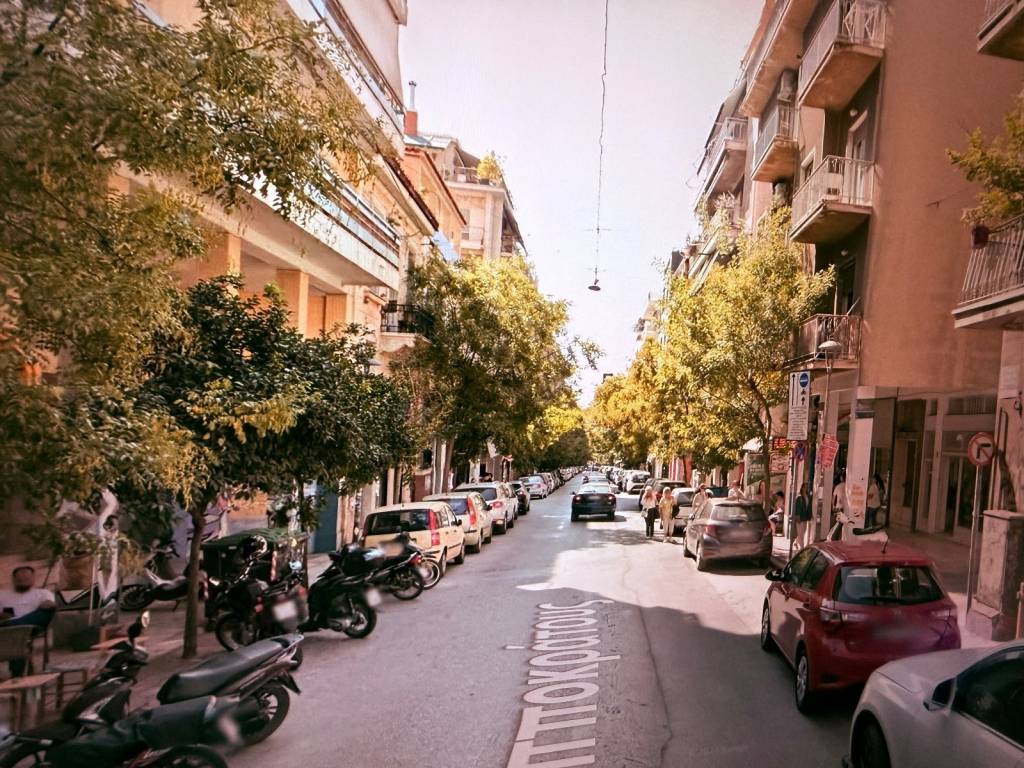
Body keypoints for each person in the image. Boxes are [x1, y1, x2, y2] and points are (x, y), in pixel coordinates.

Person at [0, 566, 55, 676]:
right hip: (9, 629)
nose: (24, 580)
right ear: (14, 579)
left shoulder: (43, 593)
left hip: (32, 625)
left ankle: (14, 624)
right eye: (20, 579)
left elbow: (49, 604)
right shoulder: (3, 595)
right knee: (16, 635)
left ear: (33, 579)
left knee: (47, 611)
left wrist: (47, 604)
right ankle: (18, 674)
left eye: (27, 578)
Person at [794, 484, 812, 548]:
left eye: (806, 487)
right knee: (801, 534)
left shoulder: (807, 496)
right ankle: (802, 548)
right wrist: (797, 516)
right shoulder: (799, 496)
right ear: (802, 488)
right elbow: (797, 507)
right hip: (799, 517)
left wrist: (810, 515)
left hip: (805, 517)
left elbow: (808, 506)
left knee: (803, 532)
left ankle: (796, 542)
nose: (805, 488)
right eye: (804, 487)